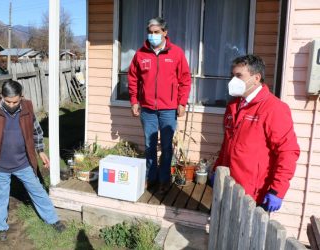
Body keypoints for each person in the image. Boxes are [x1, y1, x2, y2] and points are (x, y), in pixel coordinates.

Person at [0, 80, 66, 241]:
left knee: (38, 192)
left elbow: (36, 131)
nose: (12, 105)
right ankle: (1, 227)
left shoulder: (27, 108)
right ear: (1, 96)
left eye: (15, 101)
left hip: (23, 163)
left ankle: (53, 219)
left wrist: (40, 151)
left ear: (21, 97)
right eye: (8, 101)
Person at [213, 54, 300, 212]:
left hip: (253, 194)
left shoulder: (273, 108)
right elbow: (227, 143)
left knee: (247, 235)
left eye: (239, 76)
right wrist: (216, 169)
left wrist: (277, 191)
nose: (233, 80)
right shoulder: (233, 105)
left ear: (256, 78)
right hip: (228, 186)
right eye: (232, 75)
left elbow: (288, 152)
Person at [127, 17, 192, 192]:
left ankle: (164, 179)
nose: (153, 35)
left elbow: (185, 80)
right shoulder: (140, 54)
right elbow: (133, 79)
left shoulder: (176, 53)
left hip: (168, 110)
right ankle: (151, 177)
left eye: (156, 32)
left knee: (166, 146)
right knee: (149, 146)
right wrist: (134, 100)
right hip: (147, 109)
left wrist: (182, 103)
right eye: (150, 32)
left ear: (165, 32)